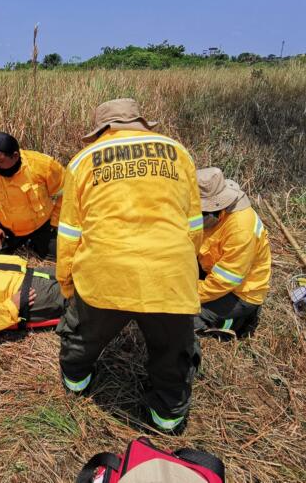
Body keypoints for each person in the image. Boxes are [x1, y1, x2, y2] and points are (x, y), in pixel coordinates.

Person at [56, 98, 203, 435]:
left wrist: (67, 285)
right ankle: (166, 419)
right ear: (140, 122)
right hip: (168, 275)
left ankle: (77, 385)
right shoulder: (178, 153)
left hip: (104, 274)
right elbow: (194, 226)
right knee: (171, 353)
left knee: (82, 339)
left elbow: (69, 234)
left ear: (103, 129)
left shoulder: (82, 161)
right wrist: (181, 266)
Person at [195, 167, 271, 338]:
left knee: (185, 317)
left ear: (215, 206)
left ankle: (236, 322)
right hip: (212, 270)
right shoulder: (214, 215)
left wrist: (189, 295)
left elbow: (226, 280)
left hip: (241, 292)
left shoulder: (240, 228)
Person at [0, 132, 64, 260]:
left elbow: (65, 192)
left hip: (42, 225)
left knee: (61, 255)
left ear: (15, 156)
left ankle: (32, 243)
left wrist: (55, 222)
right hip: (6, 228)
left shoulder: (43, 165)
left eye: (0, 160)